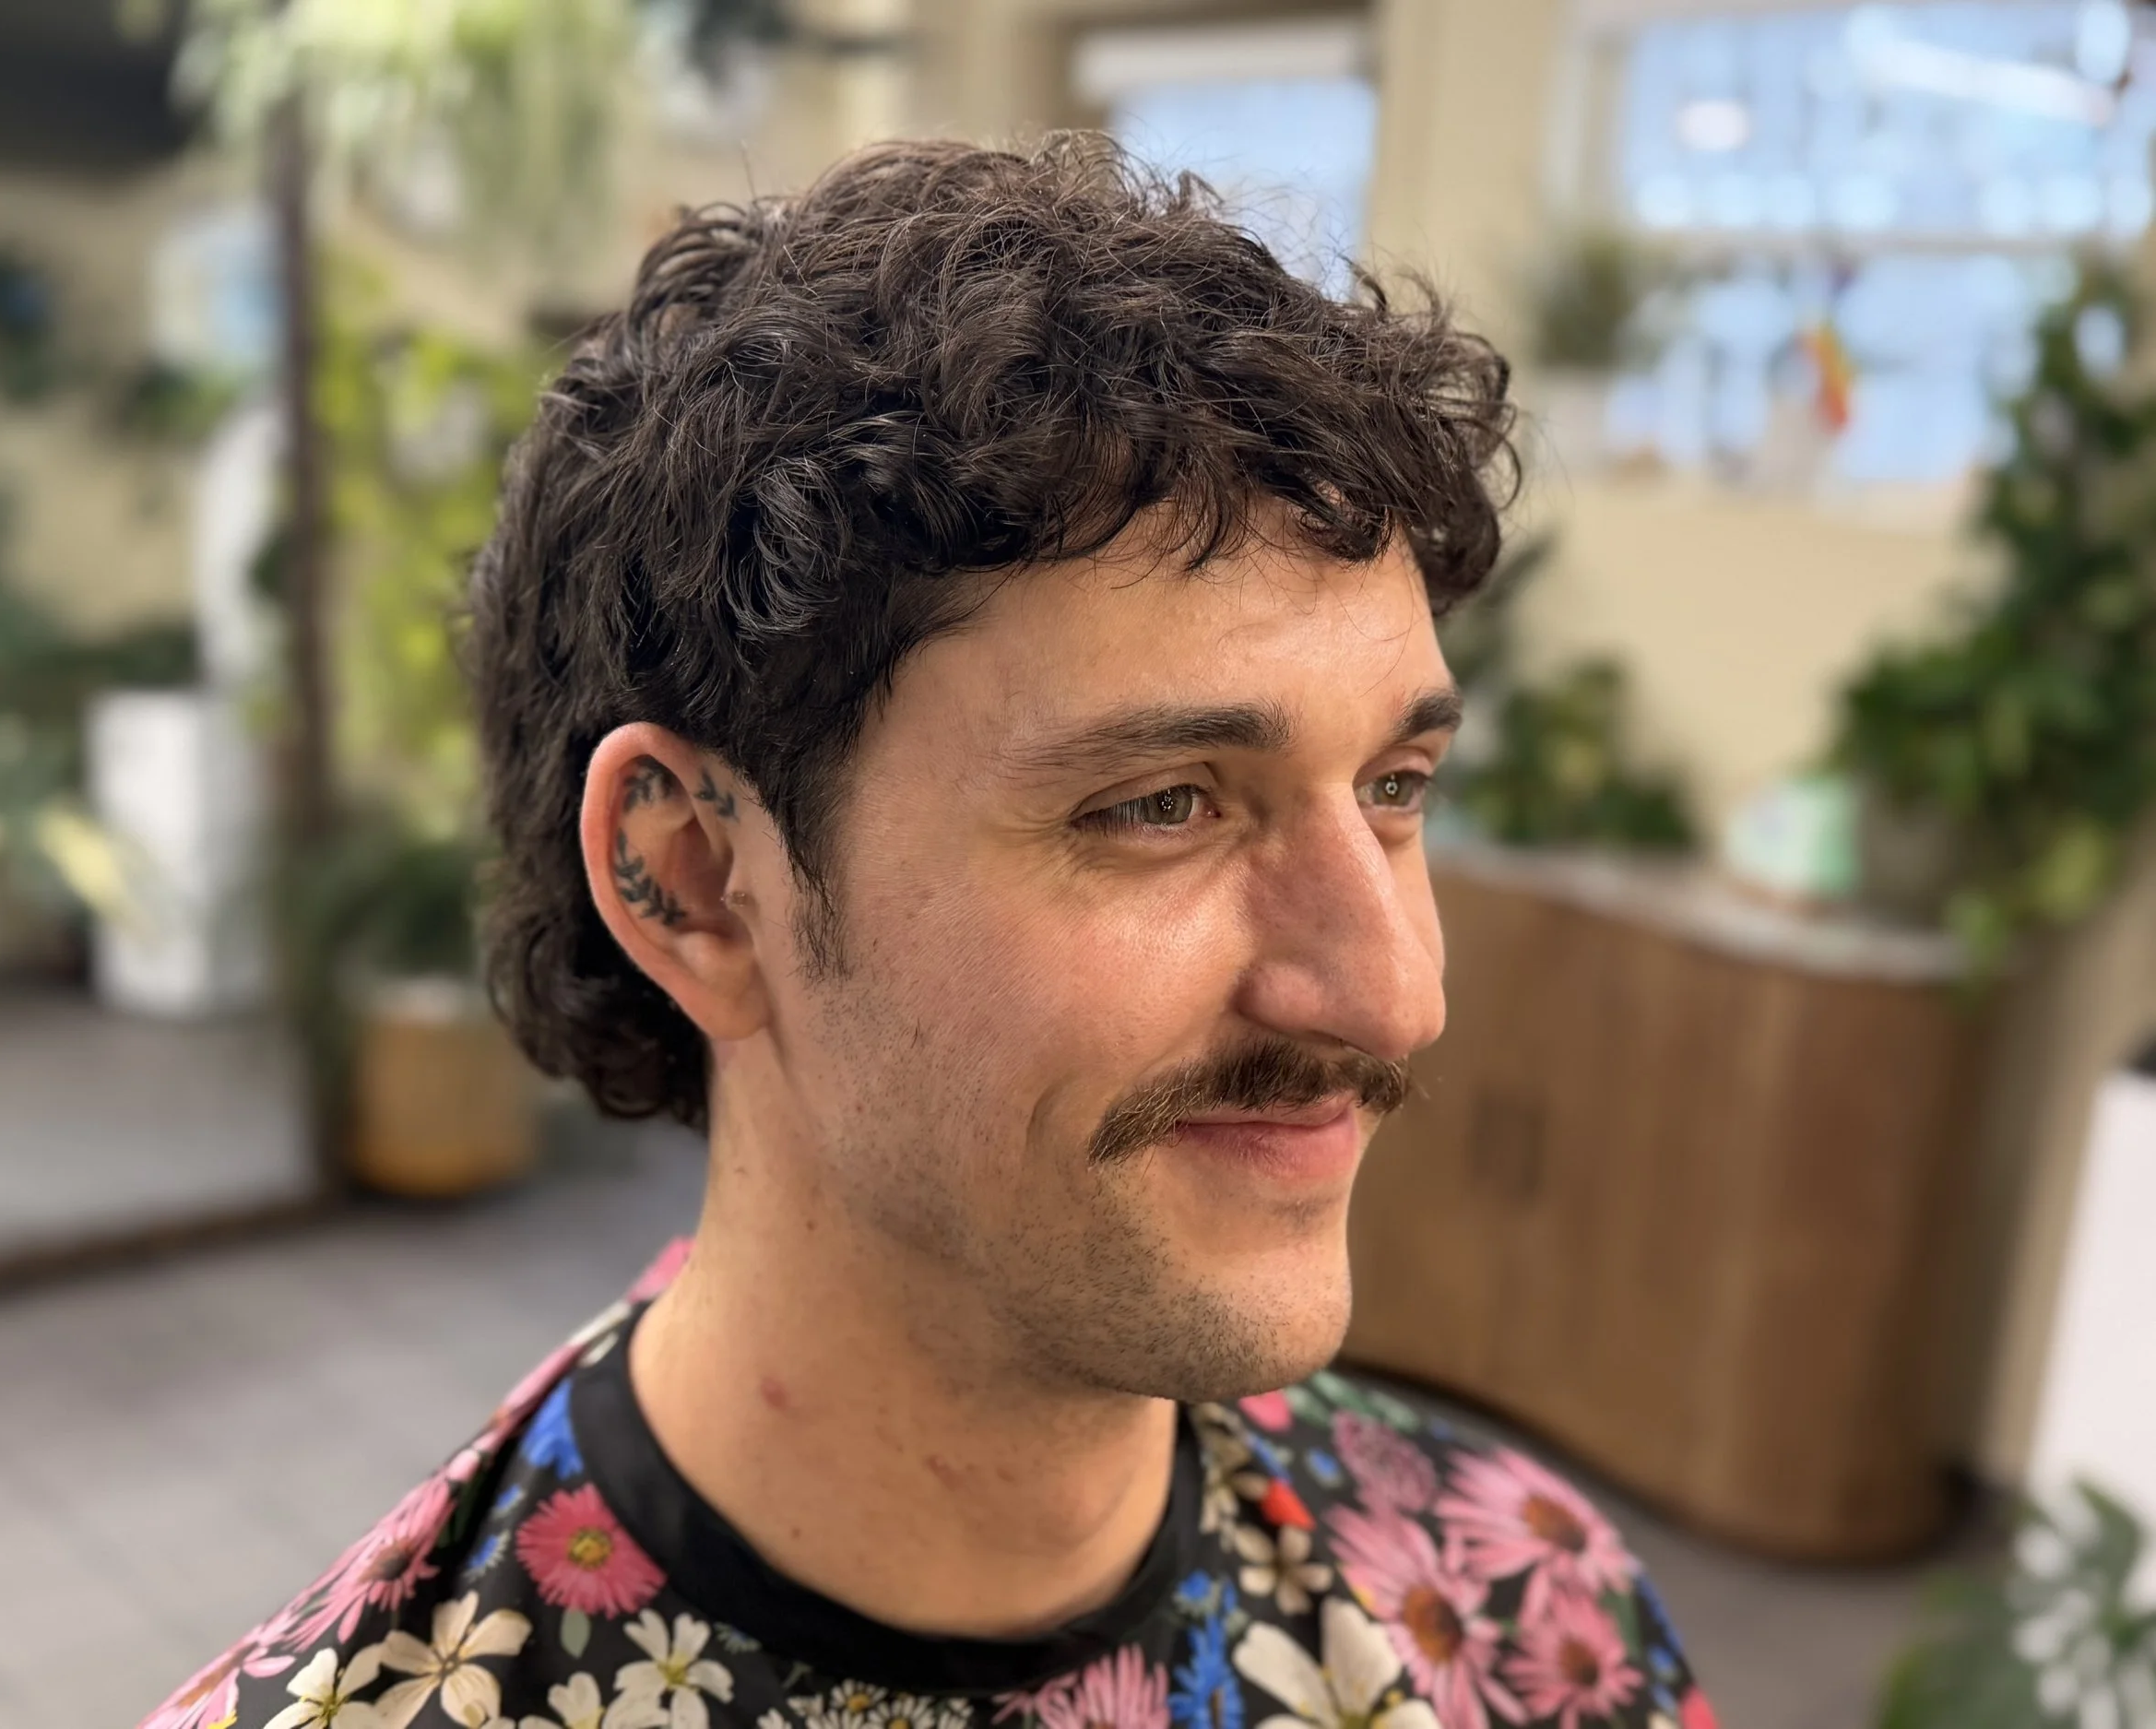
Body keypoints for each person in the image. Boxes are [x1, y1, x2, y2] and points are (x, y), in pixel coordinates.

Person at [146, 135, 1714, 1729]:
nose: (1391, 994)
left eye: (1393, 785)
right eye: (1161, 803)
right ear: (693, 879)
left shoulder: (1530, 1613)